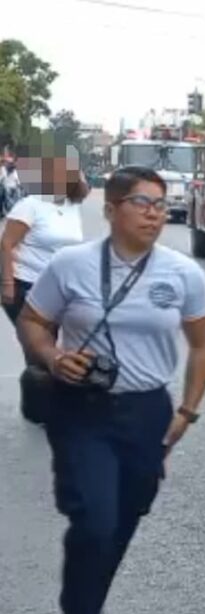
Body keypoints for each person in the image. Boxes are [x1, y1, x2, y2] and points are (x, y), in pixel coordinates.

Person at [16, 166, 205, 614]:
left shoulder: (182, 274)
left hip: (147, 412)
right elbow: (32, 320)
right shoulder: (71, 265)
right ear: (111, 209)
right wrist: (52, 356)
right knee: (96, 523)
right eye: (142, 201)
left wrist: (187, 412)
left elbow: (202, 346)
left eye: (160, 203)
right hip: (81, 410)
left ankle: (85, 604)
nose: (155, 212)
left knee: (121, 524)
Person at [2, 148, 89, 422]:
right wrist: (6, 283)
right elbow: (5, 244)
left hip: (62, 289)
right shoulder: (31, 204)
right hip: (25, 284)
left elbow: (83, 188)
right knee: (39, 348)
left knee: (63, 345)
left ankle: (53, 401)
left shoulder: (71, 206)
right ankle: (39, 408)